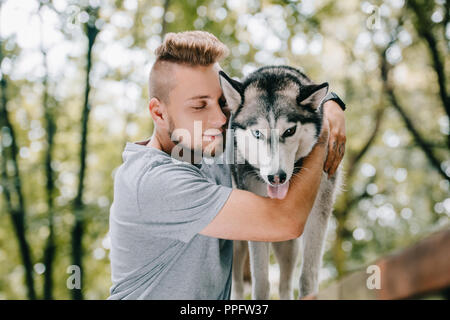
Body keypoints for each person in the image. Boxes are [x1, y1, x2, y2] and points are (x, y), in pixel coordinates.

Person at [108, 31, 346, 299]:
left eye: (223, 102)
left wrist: (331, 101)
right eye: (200, 106)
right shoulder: (155, 183)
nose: (220, 118)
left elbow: (274, 108)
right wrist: (323, 130)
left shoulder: (207, 151)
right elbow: (285, 222)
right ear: (159, 112)